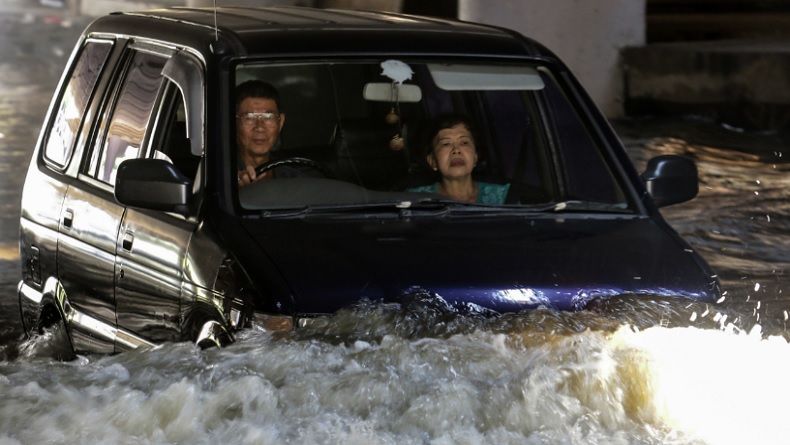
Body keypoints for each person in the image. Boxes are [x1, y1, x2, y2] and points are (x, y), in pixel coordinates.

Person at [409, 114, 510, 204]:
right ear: (432, 161)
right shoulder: (414, 201)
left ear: (475, 157)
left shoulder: (505, 197)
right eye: (446, 144)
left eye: (464, 143)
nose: (456, 150)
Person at [236, 80, 286, 187]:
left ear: (280, 122)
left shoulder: (293, 179)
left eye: (268, 117)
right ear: (234, 123)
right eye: (249, 117)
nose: (259, 127)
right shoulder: (219, 177)